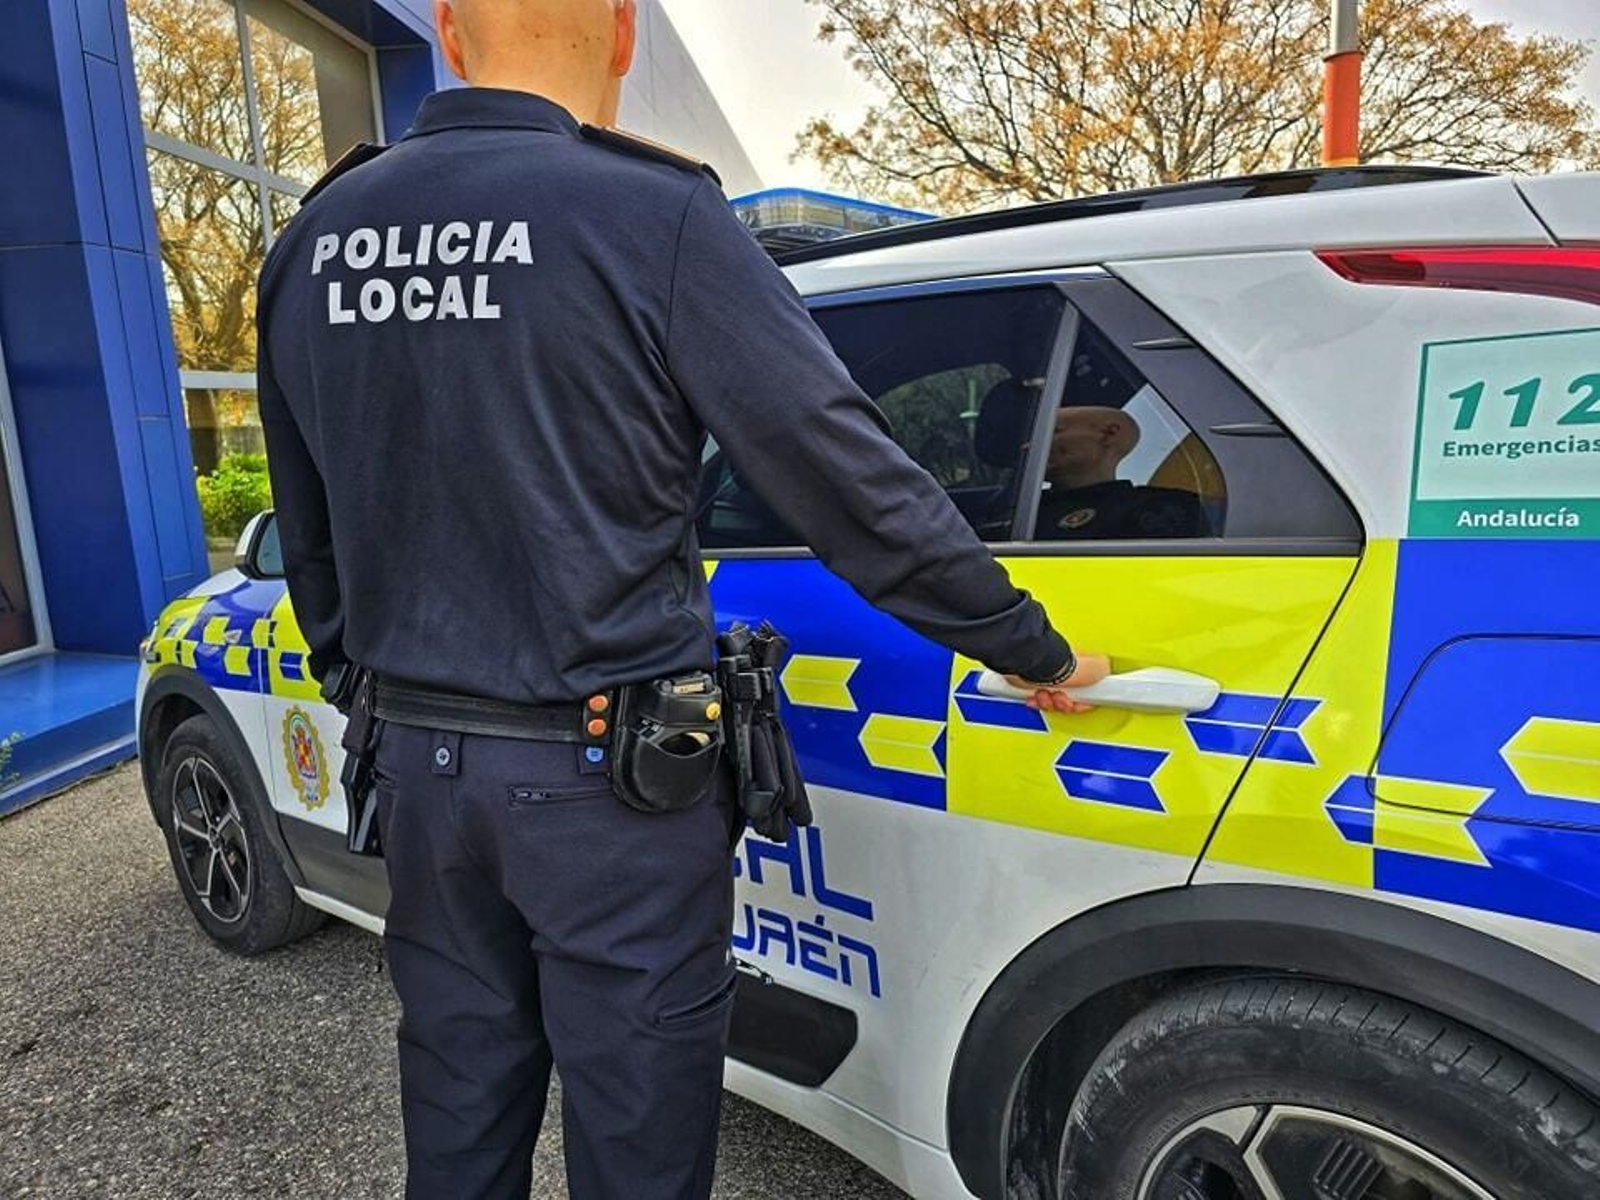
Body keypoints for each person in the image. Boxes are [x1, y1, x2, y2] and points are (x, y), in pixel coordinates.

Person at [256, 2, 1108, 1197]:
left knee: (455, 1107)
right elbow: (844, 473)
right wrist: (1026, 645)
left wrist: (375, 693)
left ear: (448, 32)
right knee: (638, 1132)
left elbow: (312, 534)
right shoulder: (648, 212)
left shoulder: (317, 237)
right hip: (607, 789)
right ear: (618, 31)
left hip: (416, 775)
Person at [1035, 405, 1212, 540]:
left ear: (1108, 434)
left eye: (1053, 431)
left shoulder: (1162, 508)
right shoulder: (1016, 507)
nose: (1028, 446)